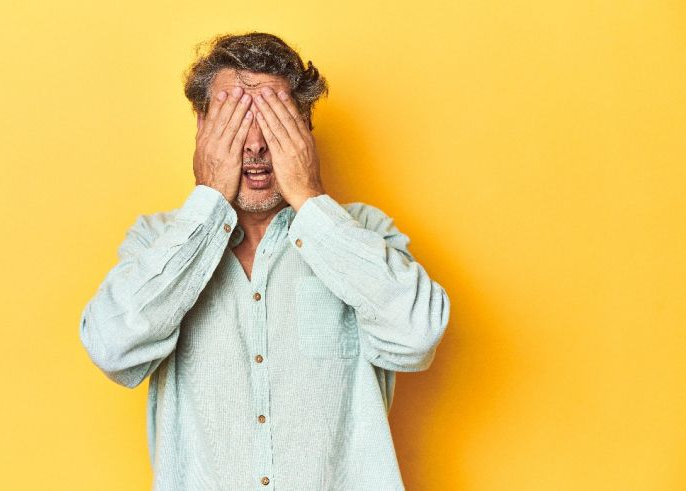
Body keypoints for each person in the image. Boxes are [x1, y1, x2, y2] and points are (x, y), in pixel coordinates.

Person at [79, 31, 450, 490]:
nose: (253, 144)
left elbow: (418, 336)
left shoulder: (364, 234)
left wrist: (311, 200)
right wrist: (209, 200)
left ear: (304, 129)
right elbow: (113, 348)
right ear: (202, 129)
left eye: (272, 119)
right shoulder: (158, 241)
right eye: (233, 120)